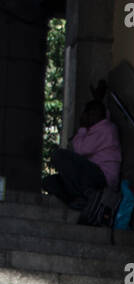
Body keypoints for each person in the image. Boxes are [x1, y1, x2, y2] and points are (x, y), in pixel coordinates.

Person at [43, 85, 122, 224]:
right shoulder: (100, 126)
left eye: (87, 114)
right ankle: (83, 201)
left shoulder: (106, 129)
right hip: (91, 176)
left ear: (94, 114)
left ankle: (86, 198)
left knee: (59, 155)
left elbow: (79, 149)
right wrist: (97, 99)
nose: (84, 117)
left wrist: (82, 128)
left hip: (102, 177)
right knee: (49, 182)